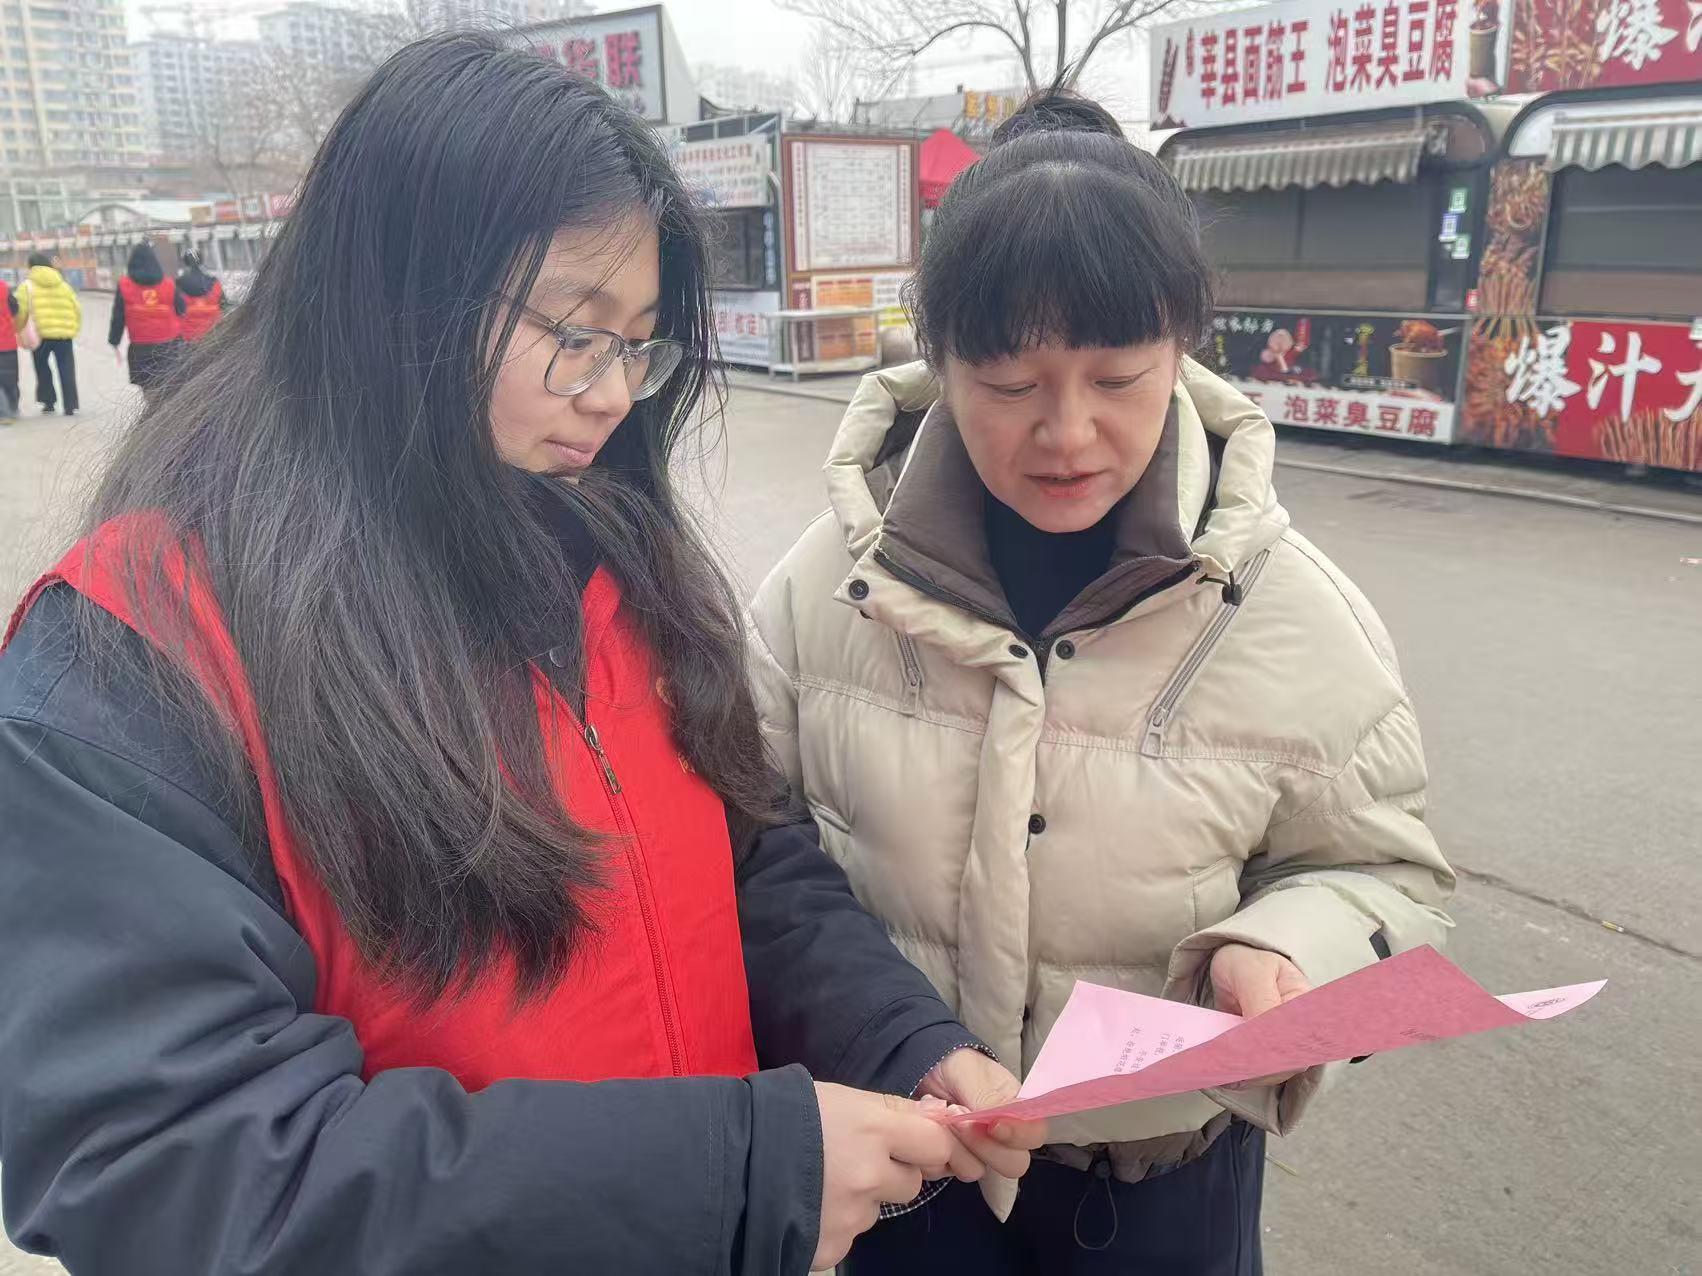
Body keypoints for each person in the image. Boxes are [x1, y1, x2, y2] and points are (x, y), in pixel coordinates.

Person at [0, 35, 1043, 1276]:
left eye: (638, 345)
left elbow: (749, 862)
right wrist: (723, 1179)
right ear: (400, 295)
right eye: (573, 332)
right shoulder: (138, 655)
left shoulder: (616, 558)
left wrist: (895, 1035)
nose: (610, 396)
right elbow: (171, 1162)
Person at [748, 89, 1456, 1276]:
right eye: (1009, 386)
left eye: (1118, 378)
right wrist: (885, 1035)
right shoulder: (824, 590)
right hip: (901, 1174)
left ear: (1181, 347)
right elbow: (753, 848)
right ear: (938, 363)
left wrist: (1287, 951)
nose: (1067, 433)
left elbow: (1386, 873)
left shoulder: (1290, 610)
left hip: (1163, 1194)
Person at [109, 242, 185, 391]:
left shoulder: (124, 285)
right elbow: (182, 309)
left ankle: (153, 404)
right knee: (169, 386)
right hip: (168, 345)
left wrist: (114, 340)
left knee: (148, 387)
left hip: (140, 347)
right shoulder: (168, 284)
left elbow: (118, 317)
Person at [19, 250, 79, 416]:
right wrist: (73, 329)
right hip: (64, 335)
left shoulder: (27, 287)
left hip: (39, 335)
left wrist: (20, 330)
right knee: (66, 368)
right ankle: (70, 405)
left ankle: (48, 402)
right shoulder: (64, 286)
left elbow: (21, 311)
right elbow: (76, 309)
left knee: (42, 367)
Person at [175, 249, 228, 342]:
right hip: (214, 333)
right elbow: (223, 306)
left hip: (188, 336)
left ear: (185, 262)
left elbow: (175, 310)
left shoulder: (178, 284)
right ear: (201, 261)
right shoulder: (214, 282)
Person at [0, 275, 19, 422]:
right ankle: (13, 408)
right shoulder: (3, 287)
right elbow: (15, 309)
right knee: (10, 377)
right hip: (7, 340)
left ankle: (3, 413)